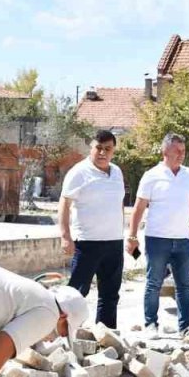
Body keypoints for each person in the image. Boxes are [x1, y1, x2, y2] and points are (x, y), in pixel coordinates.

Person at [126, 132, 189, 334]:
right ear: (165, 151)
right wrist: (132, 236)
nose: (181, 155)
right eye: (177, 151)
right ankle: (150, 324)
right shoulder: (151, 176)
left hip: (183, 240)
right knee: (154, 284)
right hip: (157, 239)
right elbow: (139, 207)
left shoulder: (188, 174)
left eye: (183, 151)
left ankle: (186, 326)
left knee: (184, 286)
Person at [59, 130, 126, 328]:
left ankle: (105, 335)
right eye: (99, 148)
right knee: (76, 294)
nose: (103, 153)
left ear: (113, 150)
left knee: (110, 293)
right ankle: (65, 334)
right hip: (87, 243)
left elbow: (119, 203)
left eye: (108, 149)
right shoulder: (79, 172)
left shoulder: (117, 172)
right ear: (91, 148)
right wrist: (65, 236)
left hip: (114, 243)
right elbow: (64, 203)